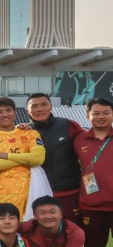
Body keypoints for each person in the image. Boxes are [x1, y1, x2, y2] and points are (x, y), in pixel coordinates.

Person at [0, 96, 45, 218]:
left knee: (34, 233)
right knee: (7, 234)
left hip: (33, 191)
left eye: (8, 110)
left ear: (15, 113)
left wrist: (6, 156)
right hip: (5, 194)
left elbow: (38, 159)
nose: (5, 114)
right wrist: (26, 160)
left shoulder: (30, 133)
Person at [27, 93, 84, 223]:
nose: (40, 109)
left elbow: (88, 145)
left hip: (71, 193)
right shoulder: (24, 132)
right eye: (34, 106)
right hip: (40, 195)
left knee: (72, 233)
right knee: (45, 237)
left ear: (51, 106)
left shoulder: (68, 125)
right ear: (28, 110)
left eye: (44, 104)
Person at [74, 97, 113, 247]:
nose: (101, 116)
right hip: (91, 206)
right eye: (96, 113)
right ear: (88, 115)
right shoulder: (78, 138)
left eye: (106, 113)